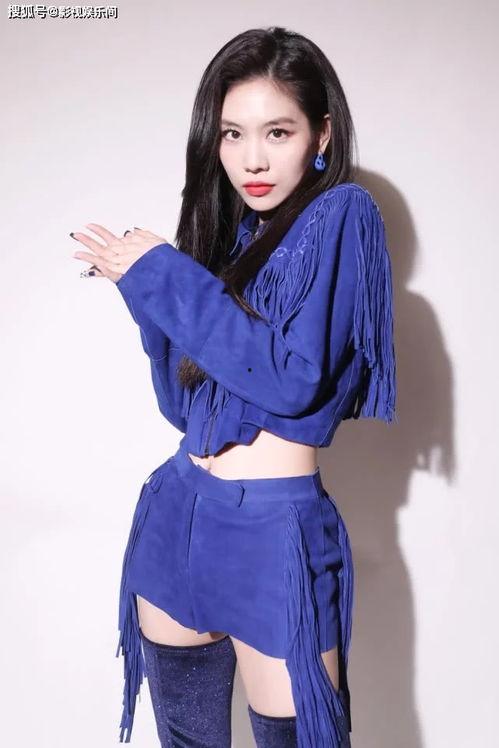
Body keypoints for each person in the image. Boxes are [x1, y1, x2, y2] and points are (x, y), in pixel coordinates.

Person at [71, 25, 397, 748]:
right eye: (231, 134)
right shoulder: (236, 238)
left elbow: (290, 380)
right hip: (177, 514)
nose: (252, 158)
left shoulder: (343, 215)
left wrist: (168, 280)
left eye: (277, 131)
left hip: (271, 535)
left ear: (321, 133)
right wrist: (146, 297)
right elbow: (181, 407)